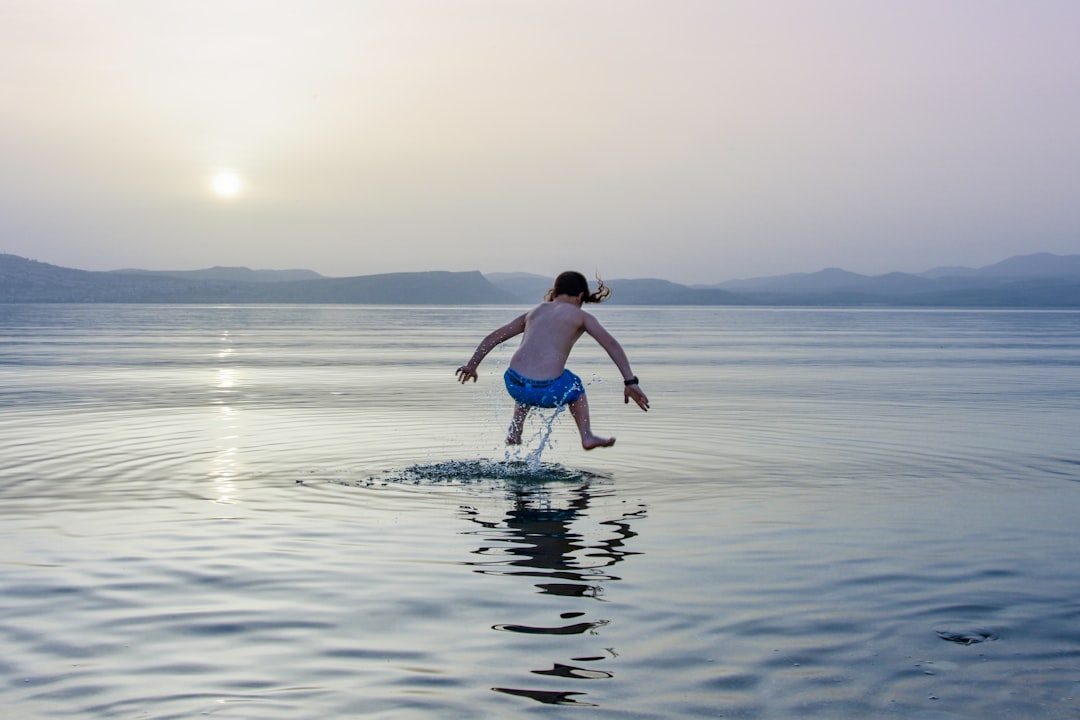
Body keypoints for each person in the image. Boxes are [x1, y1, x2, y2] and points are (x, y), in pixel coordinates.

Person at [456, 271, 649, 450]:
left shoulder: (535, 311)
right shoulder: (582, 317)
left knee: (528, 378)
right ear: (581, 296)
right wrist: (630, 381)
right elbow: (612, 345)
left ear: (554, 292)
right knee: (574, 383)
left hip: (513, 384)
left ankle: (515, 431)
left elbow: (495, 336)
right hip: (546, 389)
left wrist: (472, 365)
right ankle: (586, 435)